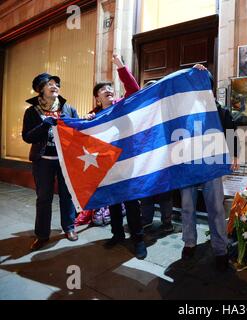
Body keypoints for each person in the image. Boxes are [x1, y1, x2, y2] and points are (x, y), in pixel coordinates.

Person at [180, 64, 239, 271]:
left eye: (203, 83)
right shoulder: (185, 110)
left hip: (212, 165)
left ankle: (220, 249)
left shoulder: (220, 110)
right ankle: (189, 242)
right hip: (188, 165)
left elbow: (231, 131)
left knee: (215, 208)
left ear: (210, 87)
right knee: (187, 207)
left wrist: (234, 155)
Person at [90, 54, 147, 260]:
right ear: (97, 98)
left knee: (131, 202)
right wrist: (88, 119)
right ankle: (117, 234)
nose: (109, 91)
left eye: (110, 88)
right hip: (107, 165)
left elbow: (133, 89)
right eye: (103, 90)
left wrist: (121, 66)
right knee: (113, 201)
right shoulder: (94, 116)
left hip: (127, 162)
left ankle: (138, 239)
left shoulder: (123, 105)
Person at [22, 73, 79, 251]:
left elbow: (78, 132)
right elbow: (27, 137)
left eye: (57, 84)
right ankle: (42, 235)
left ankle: (69, 228)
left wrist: (89, 122)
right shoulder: (31, 112)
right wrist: (45, 124)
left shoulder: (68, 109)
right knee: (44, 198)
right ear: (41, 89)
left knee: (67, 196)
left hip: (65, 161)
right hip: (43, 161)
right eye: (50, 84)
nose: (55, 87)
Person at [139, 80, 175, 233]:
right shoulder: (141, 111)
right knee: (147, 192)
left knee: (165, 192)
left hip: (164, 158)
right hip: (146, 158)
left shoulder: (168, 109)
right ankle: (146, 220)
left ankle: (167, 222)